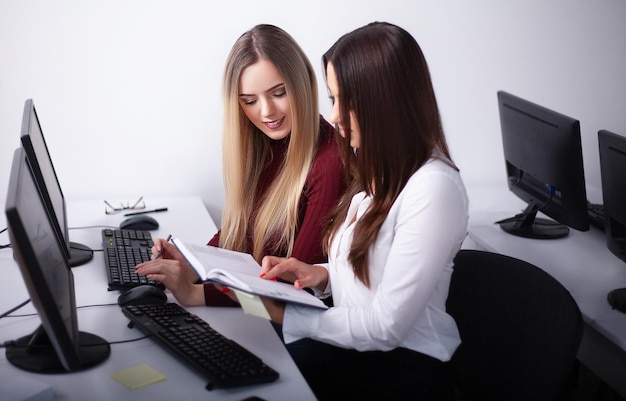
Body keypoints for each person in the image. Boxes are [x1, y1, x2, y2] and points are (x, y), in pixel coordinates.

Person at [228, 22, 470, 400]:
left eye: (348, 101)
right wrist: (320, 275)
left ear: (388, 101)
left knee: (257, 373)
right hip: (358, 352)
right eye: (333, 99)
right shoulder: (377, 169)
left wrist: (288, 316)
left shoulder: (433, 188)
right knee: (241, 355)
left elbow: (385, 326)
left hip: (403, 371)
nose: (336, 116)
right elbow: (372, 276)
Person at [136, 24, 345, 307]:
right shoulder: (263, 144)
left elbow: (294, 295)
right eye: (250, 101)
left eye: (279, 93)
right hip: (257, 313)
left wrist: (198, 294)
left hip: (291, 327)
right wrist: (193, 265)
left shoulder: (329, 163)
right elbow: (239, 237)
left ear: (303, 84)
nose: (267, 111)